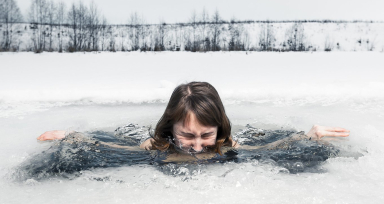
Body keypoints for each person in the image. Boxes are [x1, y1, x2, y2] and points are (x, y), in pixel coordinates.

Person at [37, 82, 350, 162]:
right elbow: (113, 147)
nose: (198, 146)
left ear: (219, 129)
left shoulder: (227, 145)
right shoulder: (155, 144)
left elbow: (269, 150)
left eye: (206, 135)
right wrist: (76, 137)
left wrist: (306, 138)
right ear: (171, 128)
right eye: (187, 134)